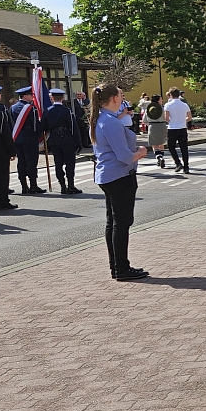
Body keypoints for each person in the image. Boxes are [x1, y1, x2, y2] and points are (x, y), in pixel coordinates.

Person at [91, 83, 149, 281]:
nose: (123, 98)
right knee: (121, 223)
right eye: (121, 95)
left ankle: (117, 266)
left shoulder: (102, 118)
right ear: (115, 98)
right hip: (119, 175)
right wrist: (140, 153)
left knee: (113, 223)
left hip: (108, 175)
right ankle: (122, 268)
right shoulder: (110, 122)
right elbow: (124, 156)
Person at [42, 88, 83, 195]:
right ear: (63, 98)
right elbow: (73, 127)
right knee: (70, 164)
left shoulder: (47, 111)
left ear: (52, 98)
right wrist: (78, 142)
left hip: (54, 140)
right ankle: (70, 186)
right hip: (67, 140)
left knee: (58, 163)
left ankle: (62, 186)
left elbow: (43, 127)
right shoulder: (67, 111)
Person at [9, 86, 45, 195]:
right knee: (31, 162)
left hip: (17, 138)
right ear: (25, 96)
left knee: (21, 162)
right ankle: (33, 185)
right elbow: (35, 125)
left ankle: (24, 186)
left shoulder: (12, 108)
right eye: (31, 95)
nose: (32, 97)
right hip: (30, 138)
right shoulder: (30, 108)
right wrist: (40, 135)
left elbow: (11, 124)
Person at [163, 88, 192, 173]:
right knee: (184, 148)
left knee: (171, 146)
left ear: (170, 95)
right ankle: (186, 167)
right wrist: (183, 120)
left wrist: (173, 121)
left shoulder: (168, 105)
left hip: (172, 128)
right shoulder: (184, 105)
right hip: (182, 128)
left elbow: (166, 118)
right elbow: (189, 117)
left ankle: (178, 163)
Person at [144, 96, 168, 168]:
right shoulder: (163, 108)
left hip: (152, 126)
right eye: (161, 99)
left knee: (155, 145)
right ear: (158, 100)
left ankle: (159, 157)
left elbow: (144, 120)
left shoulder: (148, 109)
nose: (162, 100)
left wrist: (150, 123)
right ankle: (161, 157)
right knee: (161, 143)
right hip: (162, 125)